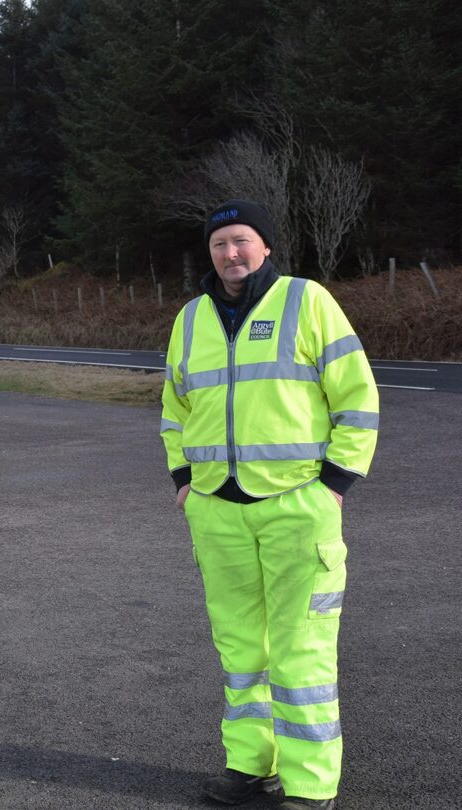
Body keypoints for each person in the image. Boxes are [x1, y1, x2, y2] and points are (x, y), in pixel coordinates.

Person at [160, 201, 379, 809]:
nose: (231, 254)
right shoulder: (191, 317)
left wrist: (334, 482)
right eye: (219, 244)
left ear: (266, 246)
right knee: (239, 650)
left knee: (301, 647)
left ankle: (310, 789)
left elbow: (357, 398)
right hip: (215, 508)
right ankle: (251, 768)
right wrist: (183, 479)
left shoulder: (305, 301)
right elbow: (175, 408)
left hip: (296, 504)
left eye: (242, 241)